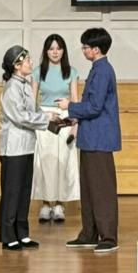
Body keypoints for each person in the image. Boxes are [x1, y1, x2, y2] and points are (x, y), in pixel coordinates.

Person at [58, 27, 122, 254]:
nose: (83, 50)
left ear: (96, 49)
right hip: (90, 137)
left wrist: (70, 106)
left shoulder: (103, 70)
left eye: (86, 47)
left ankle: (108, 236)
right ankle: (89, 233)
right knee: (89, 188)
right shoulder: (97, 69)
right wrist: (73, 116)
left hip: (99, 138)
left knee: (102, 189)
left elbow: (94, 106)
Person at [0, 45, 51, 251]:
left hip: (27, 145)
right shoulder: (11, 87)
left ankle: (22, 232)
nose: (31, 63)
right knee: (12, 192)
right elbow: (20, 116)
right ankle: (8, 235)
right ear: (17, 65)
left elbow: (34, 110)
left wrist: (51, 118)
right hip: (13, 147)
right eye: (27, 60)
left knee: (24, 190)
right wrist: (46, 119)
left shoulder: (26, 85)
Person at [32, 34, 81, 225]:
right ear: (46, 51)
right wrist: (43, 116)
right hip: (45, 119)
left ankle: (60, 203)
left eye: (58, 48)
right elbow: (32, 101)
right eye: (51, 48)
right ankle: (46, 203)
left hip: (65, 117)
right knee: (46, 161)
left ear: (63, 51)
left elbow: (75, 100)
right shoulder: (38, 72)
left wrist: (75, 123)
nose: (55, 52)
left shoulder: (72, 72)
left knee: (63, 160)